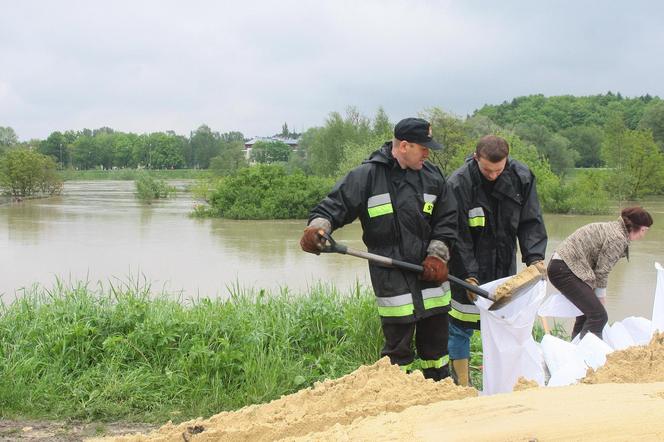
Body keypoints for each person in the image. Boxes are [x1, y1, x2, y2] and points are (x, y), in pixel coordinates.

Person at [299, 117, 457, 381]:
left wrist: (438, 256)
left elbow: (448, 221)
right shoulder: (366, 177)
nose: (428, 153)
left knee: (437, 349)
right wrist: (317, 228)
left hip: (431, 277)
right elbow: (331, 208)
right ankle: (397, 401)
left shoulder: (433, 177)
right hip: (391, 278)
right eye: (423, 147)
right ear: (404, 146)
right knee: (398, 352)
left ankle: (440, 393)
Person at [446, 135, 547, 386]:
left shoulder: (521, 178)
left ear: (507, 160)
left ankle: (507, 380)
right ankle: (462, 384)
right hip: (467, 268)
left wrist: (535, 259)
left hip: (504, 267)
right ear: (475, 157)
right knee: (461, 324)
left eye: (499, 170)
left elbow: (530, 220)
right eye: (487, 170)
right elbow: (457, 236)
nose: (493, 175)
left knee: (506, 327)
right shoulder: (459, 184)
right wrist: (469, 274)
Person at [548, 206, 653, 340]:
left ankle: (575, 350)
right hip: (565, 269)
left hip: (564, 267)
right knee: (599, 316)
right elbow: (602, 272)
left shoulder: (615, 229)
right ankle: (588, 355)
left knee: (587, 315)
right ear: (634, 227)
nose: (643, 235)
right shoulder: (618, 238)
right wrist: (601, 298)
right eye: (644, 230)